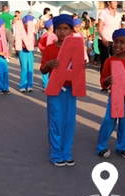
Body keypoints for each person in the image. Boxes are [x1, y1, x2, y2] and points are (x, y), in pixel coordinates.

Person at [41, 14, 84, 167]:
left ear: (72, 31)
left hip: (71, 90)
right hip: (55, 90)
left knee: (69, 122)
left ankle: (67, 153)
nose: (62, 32)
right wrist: (49, 65)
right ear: (54, 30)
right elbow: (43, 70)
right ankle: (56, 154)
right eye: (59, 28)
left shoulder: (76, 48)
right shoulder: (49, 49)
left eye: (66, 28)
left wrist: (82, 67)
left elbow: (78, 70)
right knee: (56, 122)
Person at [97, 28, 125, 159]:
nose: (117, 45)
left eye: (122, 42)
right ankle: (101, 146)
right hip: (116, 96)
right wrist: (107, 81)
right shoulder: (109, 61)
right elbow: (103, 80)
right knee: (109, 120)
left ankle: (123, 147)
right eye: (115, 42)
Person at [97, 1, 121, 80]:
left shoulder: (118, 15)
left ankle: (115, 82)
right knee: (105, 62)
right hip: (104, 40)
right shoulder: (103, 13)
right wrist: (103, 39)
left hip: (115, 41)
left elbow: (119, 28)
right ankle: (104, 82)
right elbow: (99, 28)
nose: (116, 3)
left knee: (116, 61)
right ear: (108, 3)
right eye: (114, 1)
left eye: (116, 2)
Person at [18, 15, 35, 92]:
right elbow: (17, 41)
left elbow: (34, 41)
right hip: (23, 51)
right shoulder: (21, 31)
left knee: (30, 68)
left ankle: (29, 85)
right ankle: (22, 85)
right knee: (24, 68)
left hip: (30, 51)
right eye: (29, 22)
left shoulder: (31, 31)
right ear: (25, 22)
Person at [38, 19, 55, 90]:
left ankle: (51, 84)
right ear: (50, 27)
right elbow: (40, 45)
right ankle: (45, 85)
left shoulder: (54, 35)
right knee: (45, 70)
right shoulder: (45, 36)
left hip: (53, 56)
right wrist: (45, 50)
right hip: (46, 56)